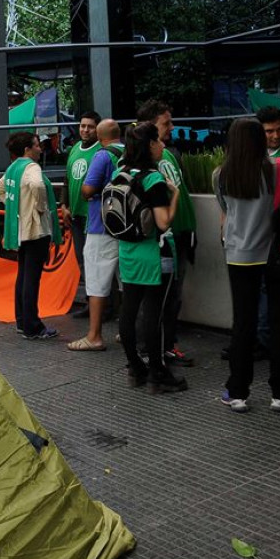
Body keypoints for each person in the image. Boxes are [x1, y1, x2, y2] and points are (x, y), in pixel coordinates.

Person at [214, 118, 280, 413]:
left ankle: (237, 392)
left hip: (238, 254)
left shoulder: (221, 174)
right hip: (276, 254)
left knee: (243, 323)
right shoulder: (279, 169)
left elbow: (225, 210)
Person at [114, 122, 187, 393]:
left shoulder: (120, 171)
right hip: (154, 254)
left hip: (128, 252)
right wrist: (175, 195)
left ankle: (135, 367)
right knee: (154, 314)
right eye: (158, 141)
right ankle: (158, 372)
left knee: (129, 310)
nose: (163, 145)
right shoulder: (153, 180)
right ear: (149, 146)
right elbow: (164, 222)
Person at [137, 100, 196, 367]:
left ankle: (166, 346)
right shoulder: (145, 164)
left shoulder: (167, 154)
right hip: (163, 240)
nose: (171, 128)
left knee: (173, 296)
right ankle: (154, 350)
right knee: (160, 298)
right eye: (166, 123)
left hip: (180, 235)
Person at [0, 131, 60, 340]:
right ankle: (33, 326)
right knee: (31, 278)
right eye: (37, 145)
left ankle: (22, 322)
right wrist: (39, 207)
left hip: (20, 229)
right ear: (27, 149)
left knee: (23, 275)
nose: (40, 149)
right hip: (35, 230)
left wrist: (16, 206)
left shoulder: (13, 168)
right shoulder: (31, 167)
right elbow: (37, 185)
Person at [68, 118, 122, 352]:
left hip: (101, 225)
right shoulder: (130, 152)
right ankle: (128, 329)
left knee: (97, 282)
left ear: (100, 138)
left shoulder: (102, 156)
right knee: (125, 282)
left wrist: (88, 193)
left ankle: (94, 335)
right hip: (127, 227)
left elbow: (87, 190)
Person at [65, 111, 101, 318]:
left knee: (96, 261)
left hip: (93, 217)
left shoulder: (101, 151)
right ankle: (91, 302)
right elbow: (68, 179)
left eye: (90, 126)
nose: (85, 130)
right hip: (76, 214)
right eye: (82, 125)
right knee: (82, 259)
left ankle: (103, 306)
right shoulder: (74, 149)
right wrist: (64, 204)